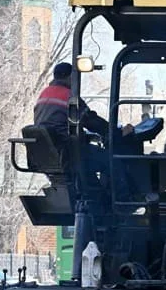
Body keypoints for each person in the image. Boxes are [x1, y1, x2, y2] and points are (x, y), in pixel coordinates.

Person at [33, 62, 133, 194]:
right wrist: (116, 132)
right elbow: (91, 121)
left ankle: (96, 199)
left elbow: (56, 125)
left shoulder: (44, 94)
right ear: (70, 77)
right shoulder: (68, 96)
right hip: (68, 151)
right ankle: (123, 203)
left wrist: (86, 137)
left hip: (49, 152)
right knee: (113, 162)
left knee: (88, 175)